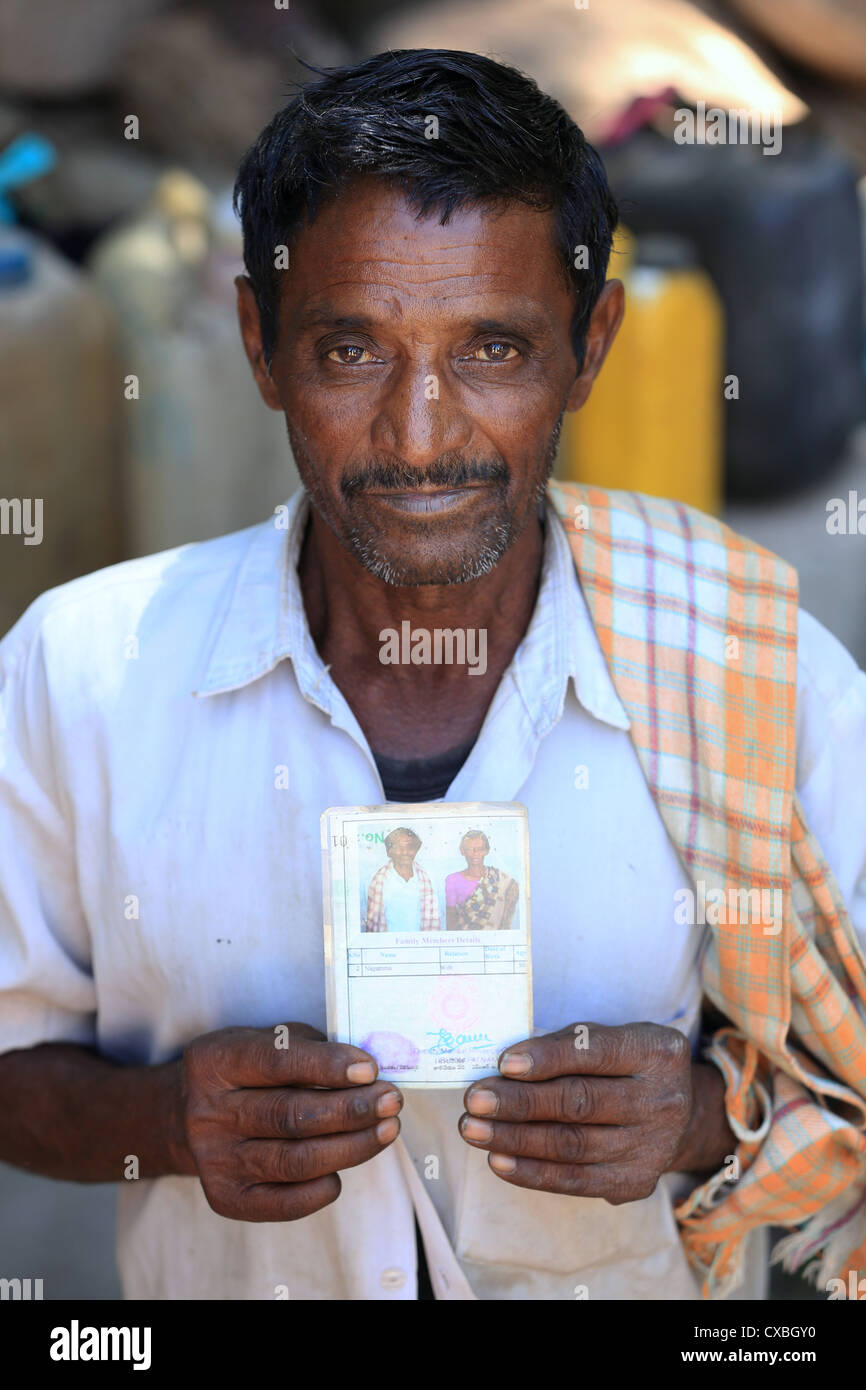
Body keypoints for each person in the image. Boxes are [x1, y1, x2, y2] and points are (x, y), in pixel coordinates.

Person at [0, 49, 864, 1303]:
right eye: (350, 353)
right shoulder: (81, 671)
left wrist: (697, 1122)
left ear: (588, 344)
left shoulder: (747, 662)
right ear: (259, 342)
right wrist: (159, 1120)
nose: (420, 437)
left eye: (493, 351)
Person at [363, 828, 440, 933]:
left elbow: (434, 922)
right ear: (389, 852)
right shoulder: (377, 881)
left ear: (416, 850)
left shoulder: (428, 879)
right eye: (399, 847)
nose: (405, 852)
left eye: (410, 847)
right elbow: (372, 925)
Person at [445, 832, 518, 931]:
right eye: (470, 849)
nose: (475, 853)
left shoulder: (500, 879)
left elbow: (511, 892)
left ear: (487, 851)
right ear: (462, 851)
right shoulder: (452, 880)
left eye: (480, 849)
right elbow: (451, 920)